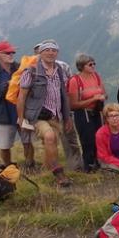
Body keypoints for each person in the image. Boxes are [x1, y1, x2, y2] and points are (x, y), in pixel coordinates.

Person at [16, 40, 74, 186]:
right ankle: (58, 173)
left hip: (56, 115)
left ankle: (49, 171)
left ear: (57, 53)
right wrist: (21, 118)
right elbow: (22, 96)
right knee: (49, 137)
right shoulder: (31, 71)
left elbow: (64, 95)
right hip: (37, 116)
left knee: (53, 143)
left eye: (53, 50)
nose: (50, 53)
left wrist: (67, 117)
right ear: (40, 53)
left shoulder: (60, 71)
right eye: (47, 50)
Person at [0, 40, 32, 166]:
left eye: (12, 52)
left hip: (22, 111)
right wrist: (10, 84)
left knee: (27, 141)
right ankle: (8, 166)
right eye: (7, 53)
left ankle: (30, 164)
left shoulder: (21, 67)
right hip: (4, 114)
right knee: (4, 145)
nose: (11, 55)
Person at [67, 53, 106, 172]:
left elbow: (104, 93)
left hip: (97, 112)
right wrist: (93, 99)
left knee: (99, 138)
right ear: (82, 66)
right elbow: (73, 105)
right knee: (87, 140)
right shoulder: (75, 80)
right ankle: (88, 166)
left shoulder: (96, 76)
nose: (93, 66)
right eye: (90, 64)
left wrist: (102, 97)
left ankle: (99, 163)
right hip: (83, 114)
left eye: (94, 63)